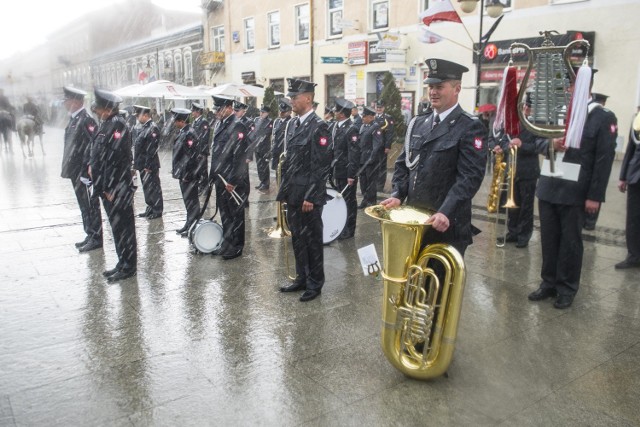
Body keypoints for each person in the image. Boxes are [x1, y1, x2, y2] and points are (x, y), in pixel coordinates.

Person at [528, 67, 617, 309]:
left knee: (570, 242)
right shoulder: (556, 111)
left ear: (584, 88)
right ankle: (548, 283)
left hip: (576, 190)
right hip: (549, 185)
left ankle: (566, 287)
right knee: (548, 239)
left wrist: (594, 196)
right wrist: (550, 144)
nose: (565, 91)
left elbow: (603, 160)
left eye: (569, 86)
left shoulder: (601, 116)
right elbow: (535, 139)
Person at [380, 58, 487, 258]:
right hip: (415, 220)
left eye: (439, 86)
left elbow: (470, 177)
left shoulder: (470, 126)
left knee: (440, 285)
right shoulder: (419, 123)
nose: (433, 92)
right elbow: (404, 164)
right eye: (430, 86)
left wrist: (446, 211)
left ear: (457, 89)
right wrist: (397, 194)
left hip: (446, 223)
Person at [277, 78, 332, 302]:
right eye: (290, 97)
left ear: (308, 98)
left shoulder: (319, 127)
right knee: (298, 239)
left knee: (312, 241)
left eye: (295, 97)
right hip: (293, 193)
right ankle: (301, 277)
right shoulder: (293, 124)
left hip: (308, 197)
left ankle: (315, 283)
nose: (291, 101)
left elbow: (321, 165)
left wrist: (311, 195)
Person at [89, 89, 137, 282]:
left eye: (99, 108)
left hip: (117, 189)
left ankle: (128, 266)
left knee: (124, 229)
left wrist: (111, 188)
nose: (96, 111)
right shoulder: (106, 124)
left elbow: (116, 160)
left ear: (107, 109)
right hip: (108, 188)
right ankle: (121, 262)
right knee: (116, 229)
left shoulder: (118, 126)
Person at [490, 93, 547, 248]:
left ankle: (524, 235)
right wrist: (500, 148)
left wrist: (522, 144)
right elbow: (503, 140)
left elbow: (539, 147)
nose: (527, 109)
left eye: (530, 107)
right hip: (512, 169)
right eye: (525, 106)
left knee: (526, 206)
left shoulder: (536, 125)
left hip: (528, 171)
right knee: (512, 204)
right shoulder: (513, 124)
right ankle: (513, 231)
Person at [60, 86, 103, 252]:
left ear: (77, 101)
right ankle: (90, 233)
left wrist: (88, 168)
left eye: (67, 100)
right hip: (75, 171)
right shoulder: (74, 119)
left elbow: (94, 145)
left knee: (90, 205)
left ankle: (96, 236)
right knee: (83, 204)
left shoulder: (86, 120)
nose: (65, 103)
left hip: (84, 172)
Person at [209, 95, 250, 260]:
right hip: (221, 178)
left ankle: (236, 246)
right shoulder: (221, 124)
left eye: (218, 109)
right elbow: (217, 153)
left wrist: (233, 180)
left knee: (235, 215)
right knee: (225, 214)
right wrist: (213, 175)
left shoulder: (237, 126)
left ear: (228, 108)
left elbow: (239, 157)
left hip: (232, 181)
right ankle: (227, 242)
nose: (216, 113)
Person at [614, 108, 640, 269]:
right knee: (633, 218)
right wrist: (623, 176)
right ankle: (633, 255)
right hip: (635, 175)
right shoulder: (638, 118)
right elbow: (631, 148)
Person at [331, 98, 361, 239]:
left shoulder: (351, 128)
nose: (334, 112)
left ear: (342, 113)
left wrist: (351, 174)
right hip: (338, 170)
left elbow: (353, 153)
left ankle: (349, 230)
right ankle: (341, 226)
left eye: (337, 110)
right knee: (340, 201)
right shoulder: (337, 126)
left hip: (346, 172)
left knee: (349, 201)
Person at [171, 108, 201, 237]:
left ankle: (193, 225)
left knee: (192, 201)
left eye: (176, 120)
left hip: (188, 175)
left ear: (181, 121)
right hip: (183, 174)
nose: (174, 123)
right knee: (188, 201)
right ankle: (189, 224)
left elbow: (191, 156)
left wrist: (187, 174)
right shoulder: (183, 132)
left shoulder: (189, 133)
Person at [583, 92, 610, 231]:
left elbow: (603, 159)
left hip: (592, 171)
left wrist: (596, 195)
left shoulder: (605, 117)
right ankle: (588, 222)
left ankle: (590, 222)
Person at [132, 104, 163, 219]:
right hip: (142, 165)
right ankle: (150, 208)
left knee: (154, 188)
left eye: (138, 116)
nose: (137, 118)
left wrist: (148, 165)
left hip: (149, 165)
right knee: (147, 188)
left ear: (145, 115)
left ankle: (157, 210)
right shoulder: (144, 127)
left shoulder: (152, 127)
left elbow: (152, 149)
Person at [358, 106, 384, 209]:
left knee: (371, 182)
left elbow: (377, 144)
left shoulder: (375, 127)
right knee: (363, 181)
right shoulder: (363, 126)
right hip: (362, 159)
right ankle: (365, 199)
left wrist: (371, 158)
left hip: (371, 160)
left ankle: (372, 202)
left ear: (370, 117)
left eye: (364, 117)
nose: (363, 118)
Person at [247, 104, 273, 192]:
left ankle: (266, 183)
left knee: (264, 166)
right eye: (261, 112)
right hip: (257, 147)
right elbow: (253, 131)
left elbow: (266, 133)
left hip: (265, 147)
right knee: (259, 166)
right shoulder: (256, 120)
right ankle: (262, 182)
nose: (261, 113)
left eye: (263, 112)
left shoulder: (269, 121)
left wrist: (258, 139)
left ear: (267, 113)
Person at [374, 100, 395, 191]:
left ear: (384, 108)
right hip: (373, 146)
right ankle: (373, 184)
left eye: (380, 107)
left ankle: (380, 185)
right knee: (373, 165)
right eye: (377, 107)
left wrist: (387, 146)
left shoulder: (387, 118)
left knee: (381, 166)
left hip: (382, 146)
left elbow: (390, 133)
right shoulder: (372, 117)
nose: (379, 109)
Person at [191, 102, 211, 195]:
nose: (192, 113)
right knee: (198, 170)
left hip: (201, 151)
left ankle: (205, 188)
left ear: (197, 112)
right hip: (196, 151)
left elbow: (204, 138)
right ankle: (201, 186)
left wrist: (201, 151)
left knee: (203, 171)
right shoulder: (195, 122)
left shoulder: (203, 122)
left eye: (193, 111)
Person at [270, 98, 292, 171]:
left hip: (284, 154)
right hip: (276, 152)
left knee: (284, 176)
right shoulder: (276, 121)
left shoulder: (291, 122)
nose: (281, 113)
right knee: (278, 175)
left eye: (284, 112)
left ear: (289, 112)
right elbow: (273, 137)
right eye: (280, 111)